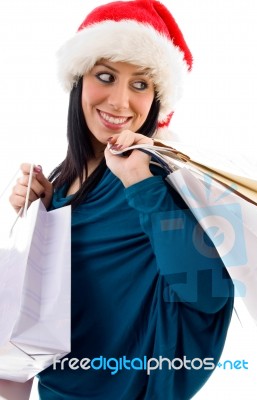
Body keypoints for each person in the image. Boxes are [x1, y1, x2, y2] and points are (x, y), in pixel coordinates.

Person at [7, 1, 234, 399]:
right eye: (106, 76)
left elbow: (209, 295)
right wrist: (37, 220)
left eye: (141, 84)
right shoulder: (60, 182)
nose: (119, 101)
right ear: (78, 80)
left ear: (157, 100)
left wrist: (141, 185)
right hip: (58, 388)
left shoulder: (162, 177)